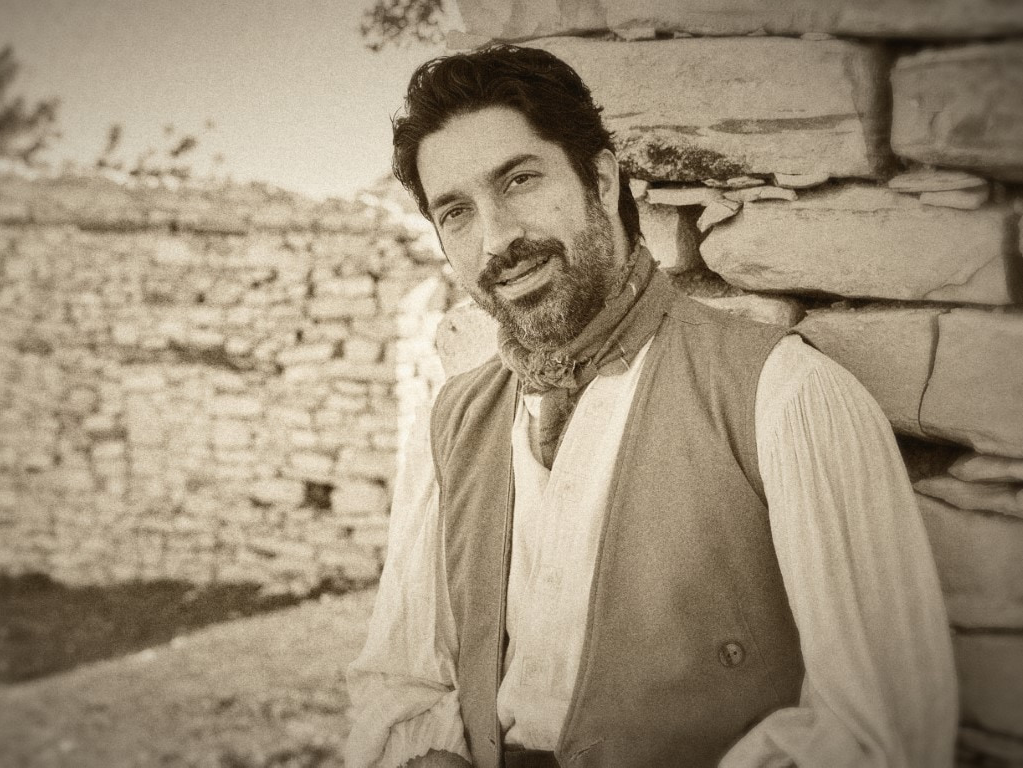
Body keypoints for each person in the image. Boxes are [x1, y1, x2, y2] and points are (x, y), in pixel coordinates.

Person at [345, 45, 957, 768]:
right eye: (457, 212)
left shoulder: (782, 396)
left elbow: (878, 734)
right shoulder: (451, 421)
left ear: (601, 181)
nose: (497, 237)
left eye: (520, 180)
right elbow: (403, 679)